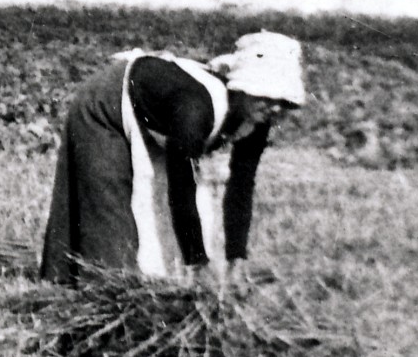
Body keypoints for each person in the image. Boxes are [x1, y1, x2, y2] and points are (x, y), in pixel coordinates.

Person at [39, 30, 306, 289]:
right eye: (266, 97)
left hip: (157, 114)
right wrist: (197, 262)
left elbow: (241, 186)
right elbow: (181, 187)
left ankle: (158, 285)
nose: (275, 108)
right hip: (106, 102)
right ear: (242, 89)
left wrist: (236, 258)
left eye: (283, 102)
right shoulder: (195, 109)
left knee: (164, 253)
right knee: (111, 234)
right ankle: (83, 289)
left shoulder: (257, 117)